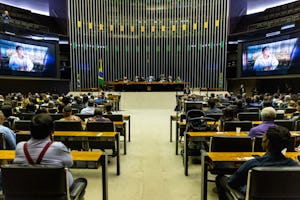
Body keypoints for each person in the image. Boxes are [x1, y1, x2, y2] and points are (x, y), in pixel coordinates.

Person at [216, 126, 299, 199]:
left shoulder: (253, 164)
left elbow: (232, 182)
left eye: (264, 136)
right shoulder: (295, 166)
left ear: (267, 142)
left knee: (221, 179)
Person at [13, 113, 87, 196]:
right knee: (81, 181)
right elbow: (70, 163)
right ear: (52, 131)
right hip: (56, 192)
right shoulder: (58, 147)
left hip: (27, 192)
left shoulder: (20, 147)